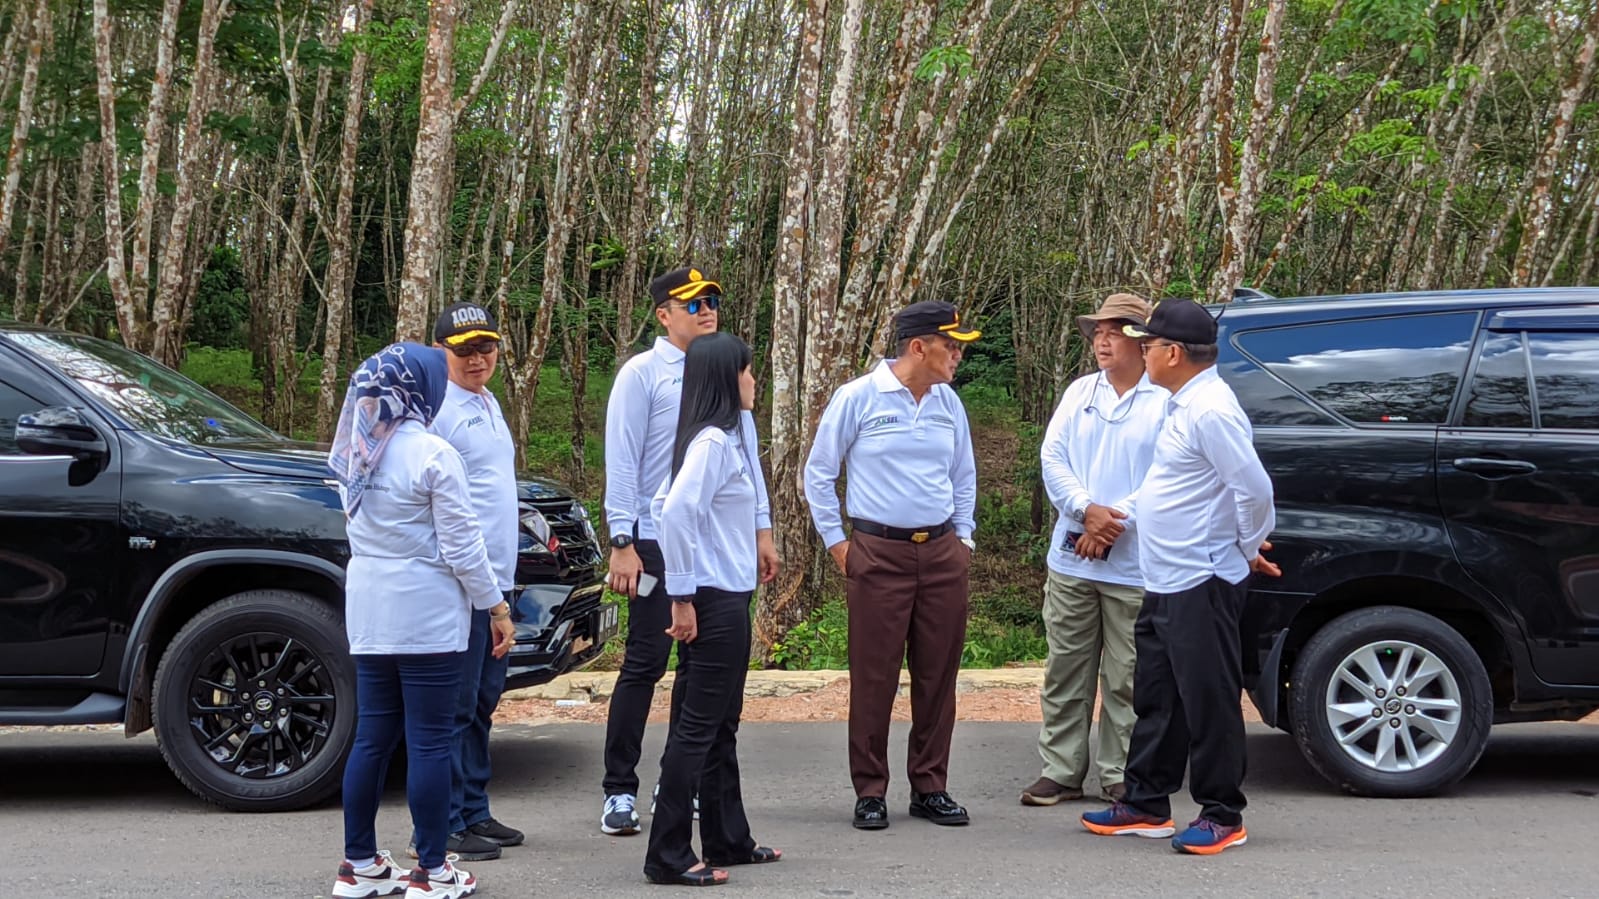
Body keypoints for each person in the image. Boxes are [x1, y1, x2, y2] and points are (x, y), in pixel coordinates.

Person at [1080, 298, 1279, 856]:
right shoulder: (1181, 403)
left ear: (1172, 352)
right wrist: (1118, 517)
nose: (1139, 351)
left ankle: (1222, 813)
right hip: (1165, 578)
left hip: (1202, 579)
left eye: (1146, 344)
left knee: (1209, 697)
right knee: (1158, 696)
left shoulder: (1210, 409)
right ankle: (1146, 804)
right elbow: (1169, 486)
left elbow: (1255, 491)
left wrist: (1240, 551)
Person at [326, 343, 514, 899]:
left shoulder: (354, 452)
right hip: (427, 613)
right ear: (422, 390)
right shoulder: (432, 453)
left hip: (370, 611)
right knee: (431, 741)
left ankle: (358, 862)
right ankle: (432, 870)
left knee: (372, 738)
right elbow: (463, 548)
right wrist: (496, 607)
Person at [600, 266, 779, 836]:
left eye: (712, 301)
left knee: (699, 673)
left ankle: (680, 783)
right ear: (663, 314)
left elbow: (748, 458)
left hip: (716, 552)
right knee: (646, 663)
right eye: (692, 303)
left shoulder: (724, 370)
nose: (706, 310)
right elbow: (623, 460)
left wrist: (763, 529)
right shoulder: (643, 374)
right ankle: (618, 789)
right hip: (656, 544)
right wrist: (622, 540)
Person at [803, 300, 980, 831]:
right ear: (918, 346)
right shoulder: (858, 397)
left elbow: (964, 477)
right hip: (878, 553)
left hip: (942, 553)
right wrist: (838, 544)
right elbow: (818, 473)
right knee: (874, 675)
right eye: (951, 345)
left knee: (938, 674)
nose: (958, 355)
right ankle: (871, 789)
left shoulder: (949, 403)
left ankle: (930, 785)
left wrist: (964, 541)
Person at [642, 332, 783, 886]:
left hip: (723, 595)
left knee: (719, 725)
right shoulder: (714, 444)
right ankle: (668, 854)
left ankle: (727, 838)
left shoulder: (713, 438)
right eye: (748, 372)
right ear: (727, 379)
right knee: (696, 729)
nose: (754, 382)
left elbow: (662, 502)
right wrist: (681, 594)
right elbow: (673, 513)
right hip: (713, 601)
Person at [1022, 293, 1168, 808]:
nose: (1102, 340)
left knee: (1128, 675)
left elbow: (1166, 475)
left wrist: (1111, 522)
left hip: (1134, 563)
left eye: (1116, 331)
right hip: (1073, 556)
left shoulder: (1165, 397)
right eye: (1098, 332)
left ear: (1141, 340)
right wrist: (1086, 510)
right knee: (1065, 668)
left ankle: (1120, 772)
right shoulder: (1081, 391)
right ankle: (1061, 769)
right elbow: (1053, 456)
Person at [398, 302, 523, 863]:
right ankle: (445, 821)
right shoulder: (437, 407)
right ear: (441, 351)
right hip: (460, 582)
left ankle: (474, 808)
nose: (479, 359)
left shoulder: (488, 400)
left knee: (482, 701)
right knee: (453, 705)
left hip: (498, 579)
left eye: (487, 347)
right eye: (465, 349)